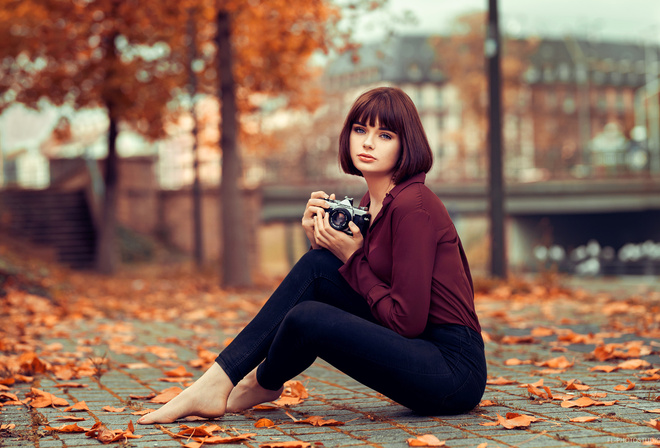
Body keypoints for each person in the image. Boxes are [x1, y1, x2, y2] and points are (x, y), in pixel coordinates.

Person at [138, 86, 486, 424]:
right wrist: (321, 242)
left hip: (452, 371)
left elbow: (407, 321)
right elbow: (344, 281)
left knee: (311, 318)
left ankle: (239, 384)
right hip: (418, 347)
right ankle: (232, 383)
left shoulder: (414, 206)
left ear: (405, 144)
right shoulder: (368, 205)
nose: (366, 142)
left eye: (385, 135)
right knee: (318, 267)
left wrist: (352, 259)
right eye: (360, 129)